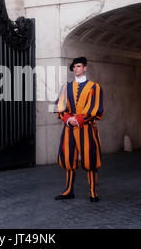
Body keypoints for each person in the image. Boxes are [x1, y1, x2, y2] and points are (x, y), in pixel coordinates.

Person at [54, 56, 104, 202]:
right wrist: (68, 119)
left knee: (90, 159)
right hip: (70, 128)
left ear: (85, 68)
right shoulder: (66, 87)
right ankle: (69, 190)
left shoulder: (94, 87)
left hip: (86, 128)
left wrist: (79, 119)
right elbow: (60, 106)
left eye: (79, 66)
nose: (76, 69)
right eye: (75, 67)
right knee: (69, 158)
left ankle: (93, 192)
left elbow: (95, 108)